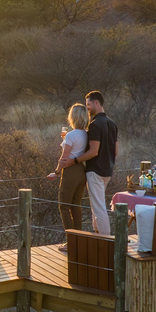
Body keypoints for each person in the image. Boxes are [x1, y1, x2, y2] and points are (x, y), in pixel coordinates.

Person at [72, 90, 118, 236]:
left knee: (98, 207)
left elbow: (93, 151)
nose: (87, 108)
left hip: (95, 170)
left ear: (96, 103)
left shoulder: (95, 125)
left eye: (88, 104)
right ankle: (98, 235)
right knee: (97, 205)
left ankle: (105, 240)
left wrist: (74, 160)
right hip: (107, 170)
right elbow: (115, 151)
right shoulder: (112, 123)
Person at [45, 103, 90, 238]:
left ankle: (71, 239)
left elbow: (64, 158)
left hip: (70, 171)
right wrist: (65, 140)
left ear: (73, 117)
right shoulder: (86, 134)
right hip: (81, 170)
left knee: (64, 206)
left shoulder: (71, 135)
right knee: (76, 205)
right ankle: (78, 238)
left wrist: (56, 172)